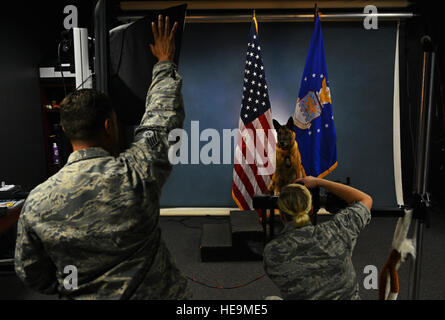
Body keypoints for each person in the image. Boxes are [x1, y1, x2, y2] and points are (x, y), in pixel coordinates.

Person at [14, 15, 192, 300]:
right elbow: (163, 121)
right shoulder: (136, 174)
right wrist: (164, 63)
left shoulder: (36, 202)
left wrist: (75, 287)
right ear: (109, 126)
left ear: (68, 132)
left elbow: (30, 273)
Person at [263, 176, 373, 300]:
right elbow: (365, 199)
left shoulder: (272, 252)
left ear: (282, 215)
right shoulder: (337, 231)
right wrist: (320, 182)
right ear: (311, 210)